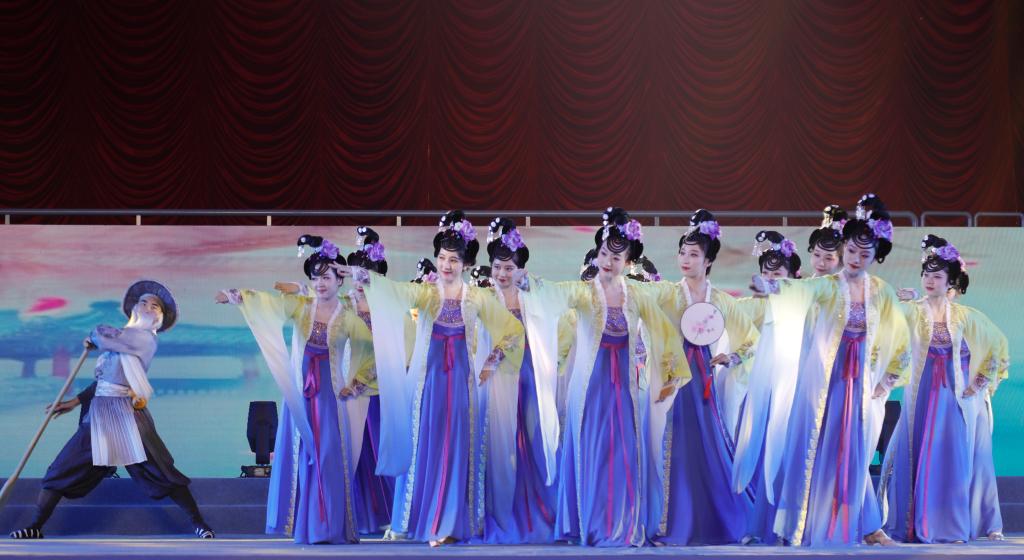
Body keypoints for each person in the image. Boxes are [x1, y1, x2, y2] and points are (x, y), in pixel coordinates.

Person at [337, 211, 525, 547]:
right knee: (427, 448)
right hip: (429, 386)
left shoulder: (476, 297)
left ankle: (450, 522)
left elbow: (510, 329)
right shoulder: (426, 293)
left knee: (456, 450)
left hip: (461, 386)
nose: (446, 265)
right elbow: (395, 292)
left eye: (453, 260)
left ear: (466, 263)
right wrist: (363, 277)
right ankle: (424, 520)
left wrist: (491, 360)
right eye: (441, 258)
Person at [740, 194, 910, 546]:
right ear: (844, 249)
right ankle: (804, 522)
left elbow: (900, 337)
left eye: (865, 254)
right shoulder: (829, 285)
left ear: (875, 256)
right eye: (852, 251)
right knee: (813, 444)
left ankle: (859, 523)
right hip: (823, 381)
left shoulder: (882, 292)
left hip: (858, 381)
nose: (856, 259)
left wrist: (888, 378)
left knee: (852, 451)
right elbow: (799, 290)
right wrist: (770, 286)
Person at [514, 207, 688, 547]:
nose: (608, 261)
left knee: (623, 454)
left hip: (623, 389)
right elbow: (555, 292)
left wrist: (671, 372)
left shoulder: (637, 294)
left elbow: (663, 326)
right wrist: (529, 284)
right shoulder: (584, 292)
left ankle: (621, 524)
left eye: (616, 257)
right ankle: (590, 524)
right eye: (604, 253)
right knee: (592, 451)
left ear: (628, 262)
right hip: (590, 388)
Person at [10, 281, 214, 540]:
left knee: (160, 472)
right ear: (134, 308)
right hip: (99, 413)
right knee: (61, 470)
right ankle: (35, 526)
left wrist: (93, 337)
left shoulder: (144, 339)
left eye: (155, 306)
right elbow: (105, 380)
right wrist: (74, 402)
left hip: (128, 414)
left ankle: (200, 524)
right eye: (143, 302)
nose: (148, 307)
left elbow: (105, 338)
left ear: (160, 318)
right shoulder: (120, 339)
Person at [217, 236, 374, 544]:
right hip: (301, 396)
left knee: (330, 458)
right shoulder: (301, 307)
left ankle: (331, 528)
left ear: (339, 280)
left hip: (331, 398)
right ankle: (308, 528)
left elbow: (370, 349)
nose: (320, 284)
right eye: (315, 278)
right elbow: (270, 303)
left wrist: (356, 383)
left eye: (326, 277)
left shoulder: (348, 315)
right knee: (304, 458)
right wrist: (238, 297)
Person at [637, 210, 759, 545]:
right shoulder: (667, 293)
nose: (685, 260)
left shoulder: (720, 300)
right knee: (673, 445)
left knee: (708, 445)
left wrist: (732, 356)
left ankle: (721, 520)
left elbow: (751, 338)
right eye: (682, 253)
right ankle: (671, 522)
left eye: (693, 254)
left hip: (703, 377)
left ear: (708, 261)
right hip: (673, 376)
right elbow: (641, 304)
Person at [878, 235, 1009, 543]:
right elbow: (886, 327)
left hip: (951, 395)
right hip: (922, 393)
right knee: (917, 451)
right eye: (926, 274)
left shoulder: (964, 316)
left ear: (950, 281)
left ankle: (951, 525)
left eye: (937, 276)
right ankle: (915, 523)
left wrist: (979, 381)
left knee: (951, 458)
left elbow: (997, 344)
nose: (929, 280)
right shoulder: (913, 310)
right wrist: (898, 304)